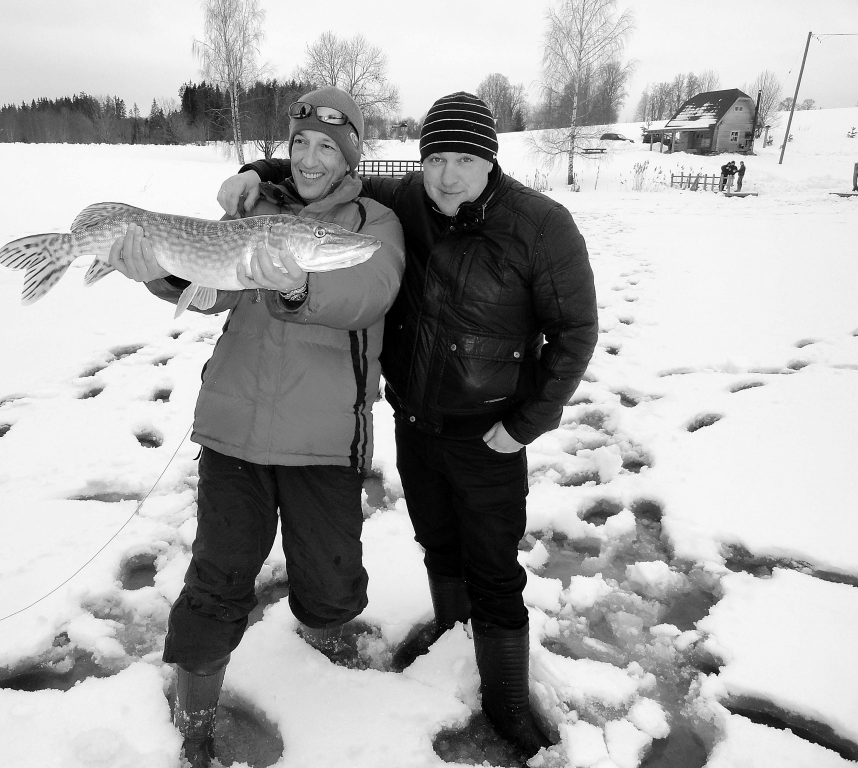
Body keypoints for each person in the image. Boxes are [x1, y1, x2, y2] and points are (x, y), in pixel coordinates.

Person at [217, 91, 598, 759]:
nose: (447, 175)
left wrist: (527, 423)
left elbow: (575, 331)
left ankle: (506, 699)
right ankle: (453, 634)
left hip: (491, 432)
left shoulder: (541, 224)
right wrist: (257, 171)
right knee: (439, 543)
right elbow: (321, 169)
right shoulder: (406, 202)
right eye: (435, 159)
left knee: (494, 566)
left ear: (490, 160)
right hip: (419, 421)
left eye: (463, 160)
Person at [109, 86, 404, 768]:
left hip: (323, 439)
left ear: (350, 155)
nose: (309, 158)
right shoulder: (256, 213)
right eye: (299, 144)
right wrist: (157, 271)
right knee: (218, 577)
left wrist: (299, 287)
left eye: (328, 146)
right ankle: (195, 708)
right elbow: (212, 291)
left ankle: (325, 638)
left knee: (331, 583)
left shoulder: (373, 224)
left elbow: (370, 291)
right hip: (235, 430)